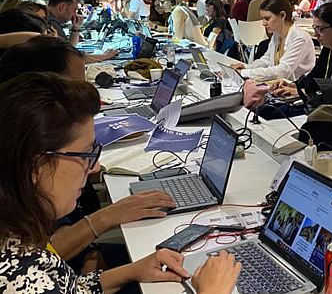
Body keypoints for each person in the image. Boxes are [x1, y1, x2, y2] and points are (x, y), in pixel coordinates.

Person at [0, 72, 241, 294]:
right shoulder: (18, 278)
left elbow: (68, 288)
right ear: (35, 167)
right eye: (85, 154)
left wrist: (132, 271)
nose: (94, 167)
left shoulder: (15, 233)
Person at [267, 2, 332, 99]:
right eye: (315, 28)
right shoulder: (329, 47)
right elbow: (315, 76)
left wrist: (301, 92)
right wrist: (294, 85)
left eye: (321, 29)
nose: (316, 34)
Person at [230, 0, 315, 81]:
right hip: (281, 86)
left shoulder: (300, 38)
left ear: (282, 15)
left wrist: (244, 72)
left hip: (298, 89)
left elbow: (283, 71)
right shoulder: (276, 34)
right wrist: (247, 67)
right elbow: (266, 60)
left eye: (267, 18)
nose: (263, 23)